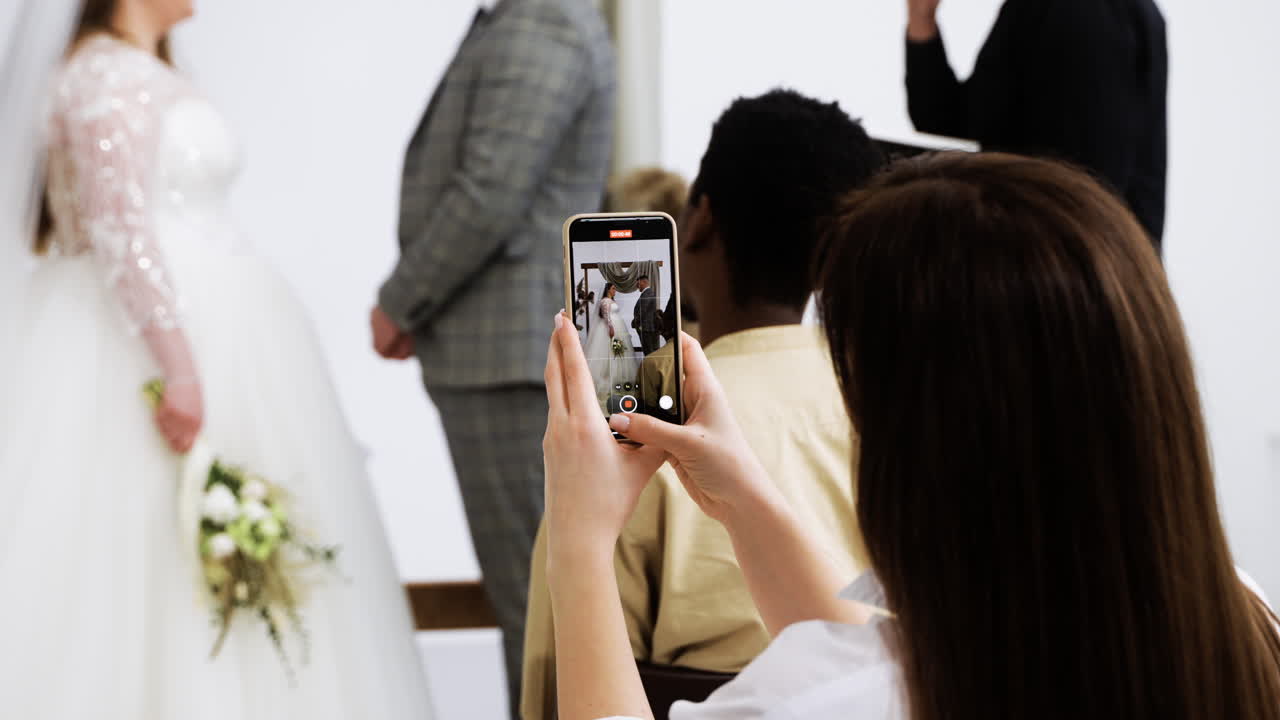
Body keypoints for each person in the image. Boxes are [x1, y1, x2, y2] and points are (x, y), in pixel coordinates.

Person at [539, 152, 1280, 720]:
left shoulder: (807, 702)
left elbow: (850, 681)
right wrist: (744, 499)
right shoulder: (1243, 627)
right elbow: (873, 656)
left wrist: (578, 537)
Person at [0, 2, 436, 718]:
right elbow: (119, 226)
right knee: (140, 551)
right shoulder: (105, 72)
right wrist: (178, 366)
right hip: (140, 343)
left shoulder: (144, 68)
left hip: (221, 333)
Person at [522, 89, 884, 720]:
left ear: (700, 223)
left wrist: (575, 539)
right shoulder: (884, 412)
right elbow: (854, 656)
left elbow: (554, 697)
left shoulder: (618, 456)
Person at [369, 0, 614, 712]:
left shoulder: (546, 21)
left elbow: (489, 192)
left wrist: (401, 300)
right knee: (536, 606)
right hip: (499, 350)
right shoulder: (527, 17)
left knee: (542, 613)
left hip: (508, 355)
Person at [903, 0, 1168, 250]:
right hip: (1045, 271)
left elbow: (1083, 195)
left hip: (1066, 281)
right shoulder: (1035, 7)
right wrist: (922, 19)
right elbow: (954, 127)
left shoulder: (1083, 12)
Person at [584, 282, 643, 413]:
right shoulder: (605, 301)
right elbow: (606, 315)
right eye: (613, 288)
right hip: (610, 329)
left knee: (619, 353)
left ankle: (619, 380)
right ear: (608, 289)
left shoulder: (611, 300)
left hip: (618, 327)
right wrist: (610, 327)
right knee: (609, 353)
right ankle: (607, 380)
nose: (615, 290)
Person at [632, 275, 661, 355]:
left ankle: (651, 367)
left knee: (649, 352)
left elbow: (642, 311)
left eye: (638, 283)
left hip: (646, 328)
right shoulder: (647, 293)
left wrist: (635, 322)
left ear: (644, 282)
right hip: (646, 328)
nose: (637, 286)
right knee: (648, 351)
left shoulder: (648, 293)